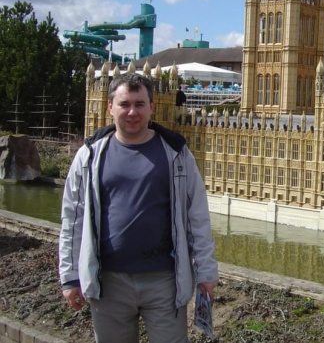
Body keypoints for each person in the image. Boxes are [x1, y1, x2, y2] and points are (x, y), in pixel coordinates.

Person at [58, 72, 218, 343]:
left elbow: (197, 217)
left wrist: (206, 271)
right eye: (124, 104)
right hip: (108, 281)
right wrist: (70, 276)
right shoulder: (89, 155)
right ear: (110, 107)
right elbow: (73, 218)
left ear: (152, 106)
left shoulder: (176, 153)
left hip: (165, 281)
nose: (132, 112)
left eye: (140, 104)